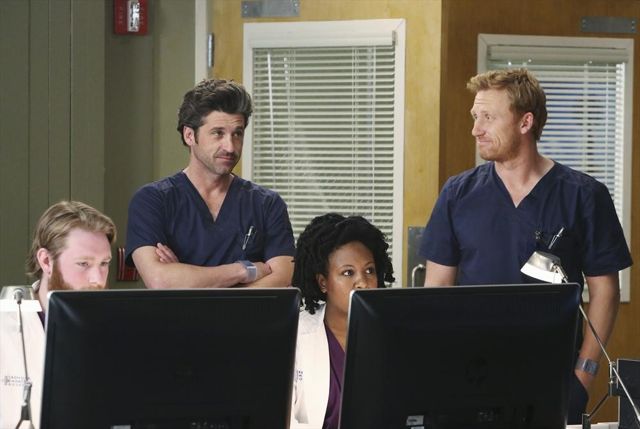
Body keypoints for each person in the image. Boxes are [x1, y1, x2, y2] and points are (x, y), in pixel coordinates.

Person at [419, 68, 633, 423]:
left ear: (525, 122)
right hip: (469, 377)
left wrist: (583, 375)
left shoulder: (584, 196)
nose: (476, 129)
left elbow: (605, 292)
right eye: (475, 117)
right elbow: (437, 289)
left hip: (552, 380)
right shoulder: (457, 194)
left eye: (488, 117)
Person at [125, 79, 295, 289]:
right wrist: (245, 270)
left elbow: (283, 278)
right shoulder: (153, 201)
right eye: (218, 133)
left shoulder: (267, 204)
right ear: (189, 135)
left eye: (237, 134)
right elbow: (160, 280)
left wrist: (186, 280)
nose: (230, 147)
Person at [0, 200, 116, 429]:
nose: (97, 278)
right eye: (83, 264)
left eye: (104, 263)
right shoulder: (6, 326)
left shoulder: (119, 328)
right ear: (46, 261)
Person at [290, 213, 394, 429]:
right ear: (323, 282)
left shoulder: (393, 333)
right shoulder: (295, 334)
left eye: (369, 270)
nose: (362, 282)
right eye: (348, 273)